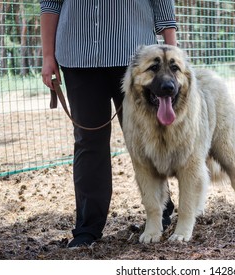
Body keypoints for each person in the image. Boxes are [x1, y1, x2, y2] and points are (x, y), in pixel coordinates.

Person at [40, 0, 178, 248]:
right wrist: (48, 55)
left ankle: (161, 210)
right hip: (77, 57)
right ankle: (87, 228)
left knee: (145, 140)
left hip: (135, 61)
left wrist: (173, 63)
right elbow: (50, 3)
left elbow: (163, 6)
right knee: (88, 142)